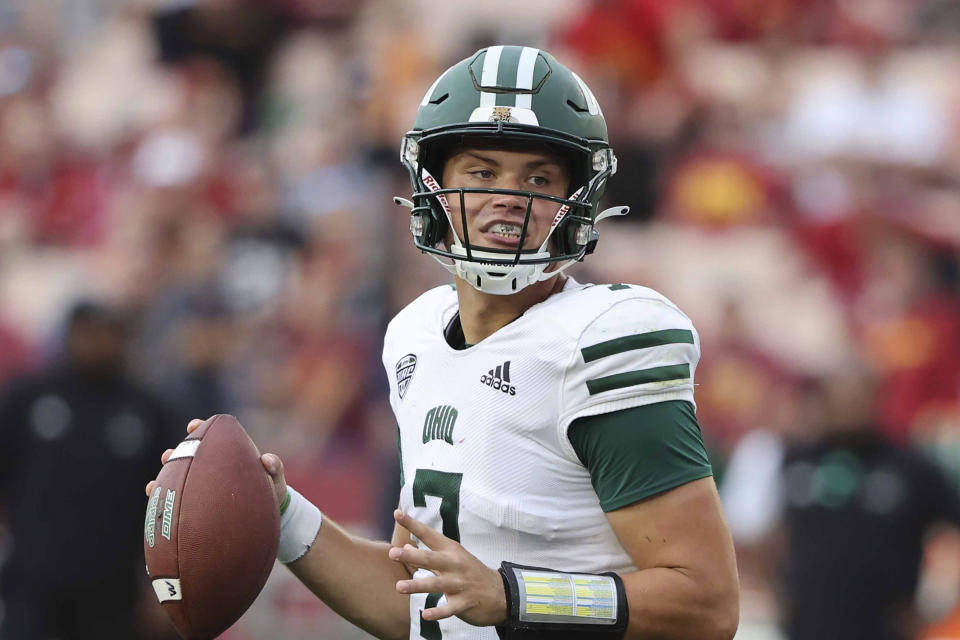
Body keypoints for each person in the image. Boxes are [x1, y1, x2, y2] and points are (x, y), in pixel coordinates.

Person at [148, 45, 739, 640]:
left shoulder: (603, 338)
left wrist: (514, 594)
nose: (510, 195)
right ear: (433, 186)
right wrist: (280, 513)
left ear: (577, 200)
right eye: (482, 172)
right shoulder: (414, 335)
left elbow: (706, 603)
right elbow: (418, 606)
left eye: (538, 177)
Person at [0, 302, 178, 640]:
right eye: (89, 332)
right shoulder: (28, 397)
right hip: (32, 584)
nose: (98, 343)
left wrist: (159, 587)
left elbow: (167, 506)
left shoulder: (148, 411)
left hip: (113, 593)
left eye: (108, 333)